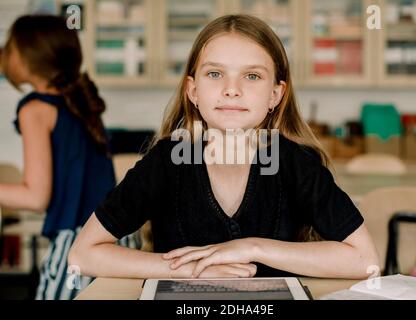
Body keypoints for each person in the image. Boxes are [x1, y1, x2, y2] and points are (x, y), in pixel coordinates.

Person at [69, 14, 379, 280]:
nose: (232, 90)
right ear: (193, 90)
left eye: (252, 76)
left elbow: (365, 261)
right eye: (215, 74)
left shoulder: (295, 162)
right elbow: (82, 255)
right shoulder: (166, 162)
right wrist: (193, 269)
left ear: (275, 95)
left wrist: (251, 247)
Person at [0, 15, 137, 300]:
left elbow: (35, 198)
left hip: (81, 243)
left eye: (9, 46)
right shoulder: (79, 100)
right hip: (118, 237)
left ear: (25, 56)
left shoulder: (35, 108)